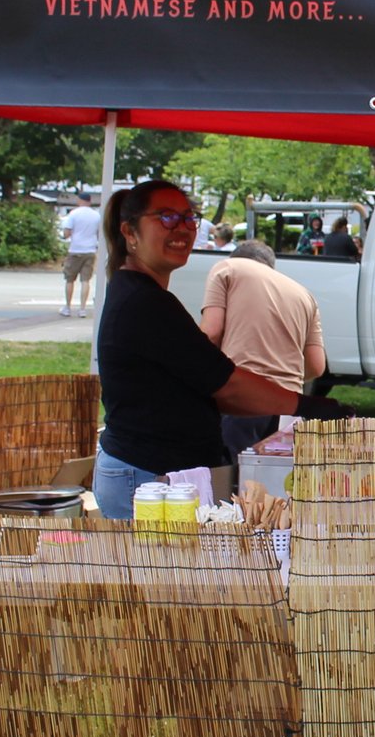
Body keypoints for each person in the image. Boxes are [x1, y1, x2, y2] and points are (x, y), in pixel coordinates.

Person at [92, 180, 305, 519]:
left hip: (157, 473)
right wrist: (303, 403)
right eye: (165, 217)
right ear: (129, 233)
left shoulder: (148, 296)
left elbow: (207, 380)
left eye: (189, 217)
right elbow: (226, 383)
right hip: (145, 478)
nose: (182, 228)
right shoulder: (145, 302)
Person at [200, 239, 327, 456]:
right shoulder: (304, 295)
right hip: (288, 408)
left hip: (242, 398)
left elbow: (211, 333)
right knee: (273, 483)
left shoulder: (227, 268)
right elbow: (316, 366)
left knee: (226, 481)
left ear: (238, 257)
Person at [60, 192, 101, 317]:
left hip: (76, 250)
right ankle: (82, 309)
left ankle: (67, 307)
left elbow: (66, 233)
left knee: (70, 279)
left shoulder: (74, 214)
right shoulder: (96, 215)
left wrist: (65, 235)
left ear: (79, 200)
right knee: (85, 280)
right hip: (90, 250)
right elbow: (99, 234)